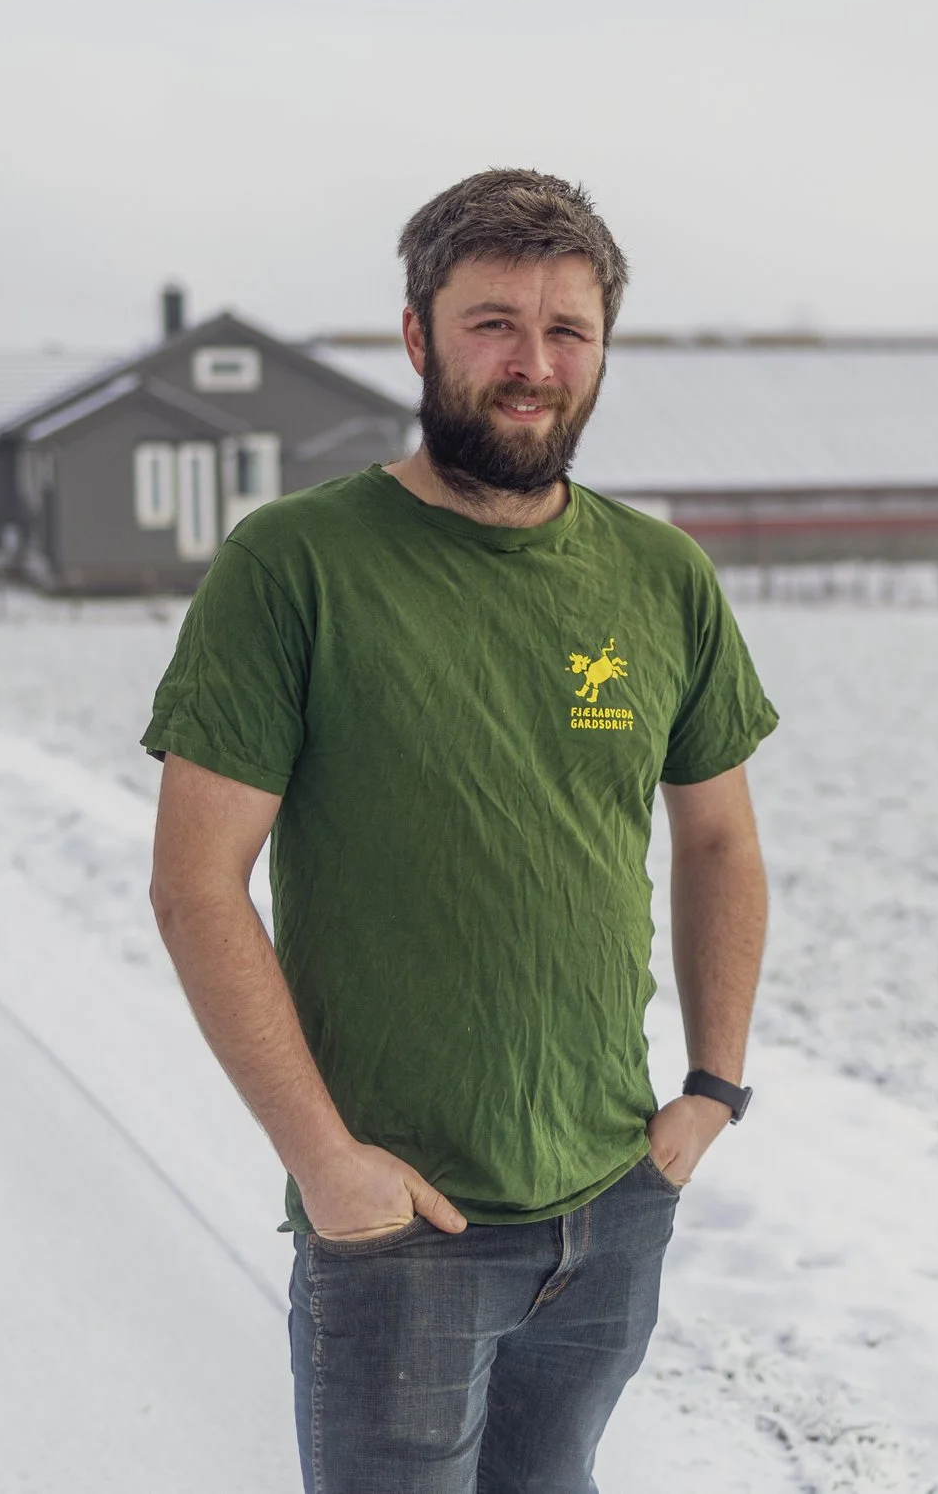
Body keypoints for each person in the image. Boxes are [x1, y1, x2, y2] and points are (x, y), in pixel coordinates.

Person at [144, 168, 776, 1493]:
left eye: (568, 330)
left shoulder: (660, 576)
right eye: (493, 323)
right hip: (401, 1223)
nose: (533, 364)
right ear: (418, 336)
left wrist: (711, 1091)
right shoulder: (295, 565)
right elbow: (197, 882)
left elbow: (719, 838)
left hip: (611, 1203)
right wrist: (326, 1162)